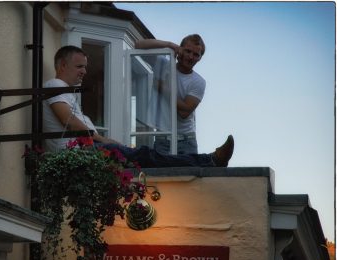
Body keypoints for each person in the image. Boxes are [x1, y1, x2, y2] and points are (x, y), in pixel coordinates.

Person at [43, 45, 234, 168]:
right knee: (147, 156)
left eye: (85, 67)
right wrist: (103, 139)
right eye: (79, 67)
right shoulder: (55, 85)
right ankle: (210, 160)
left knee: (146, 157)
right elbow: (71, 123)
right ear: (61, 66)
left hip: (85, 150)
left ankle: (210, 160)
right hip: (78, 154)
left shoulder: (65, 91)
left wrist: (109, 142)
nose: (84, 71)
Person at [135, 34, 207, 155]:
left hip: (186, 141)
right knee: (162, 174)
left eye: (196, 54)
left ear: (199, 58)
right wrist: (168, 45)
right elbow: (138, 46)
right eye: (188, 51)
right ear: (181, 49)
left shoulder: (198, 81)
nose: (190, 57)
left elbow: (184, 112)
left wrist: (162, 88)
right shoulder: (163, 64)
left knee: (190, 174)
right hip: (162, 137)